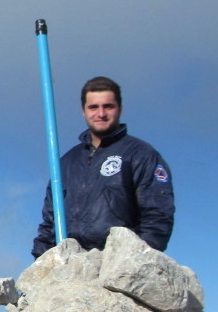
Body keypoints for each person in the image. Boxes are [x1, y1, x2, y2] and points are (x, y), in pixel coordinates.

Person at [32, 76, 174, 258]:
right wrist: (40, 260)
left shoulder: (141, 155)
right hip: (71, 267)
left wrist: (137, 262)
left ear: (119, 109)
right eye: (93, 107)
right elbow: (49, 222)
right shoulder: (66, 163)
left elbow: (157, 215)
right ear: (83, 111)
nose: (101, 114)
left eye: (108, 106)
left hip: (119, 265)